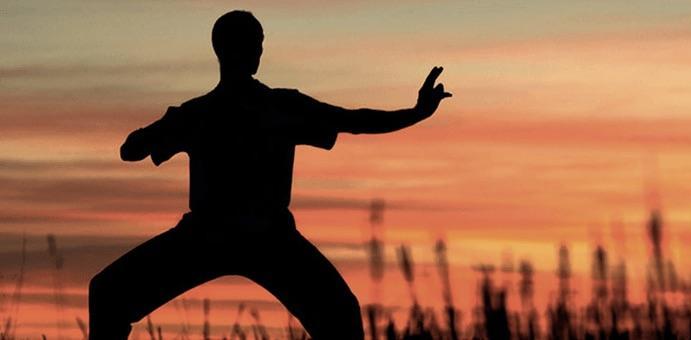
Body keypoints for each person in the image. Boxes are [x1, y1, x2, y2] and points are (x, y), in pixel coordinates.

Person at [88, 10, 451, 340]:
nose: (258, 50)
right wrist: (164, 129)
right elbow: (130, 150)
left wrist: (415, 113)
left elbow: (353, 120)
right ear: (228, 49)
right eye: (253, 43)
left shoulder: (230, 110)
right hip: (227, 237)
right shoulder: (244, 109)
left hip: (253, 238)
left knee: (340, 314)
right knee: (106, 294)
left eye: (259, 42)